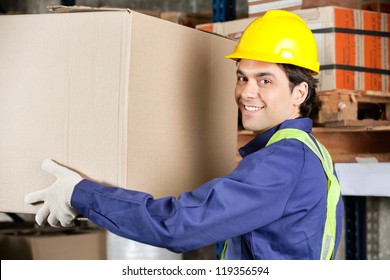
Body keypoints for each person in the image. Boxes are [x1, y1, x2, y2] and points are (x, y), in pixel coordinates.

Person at [25, 10, 344, 260]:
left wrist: (79, 193)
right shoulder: (302, 152)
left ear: (299, 92)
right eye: (242, 77)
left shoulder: (283, 163)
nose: (247, 92)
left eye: (264, 80)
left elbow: (176, 227)